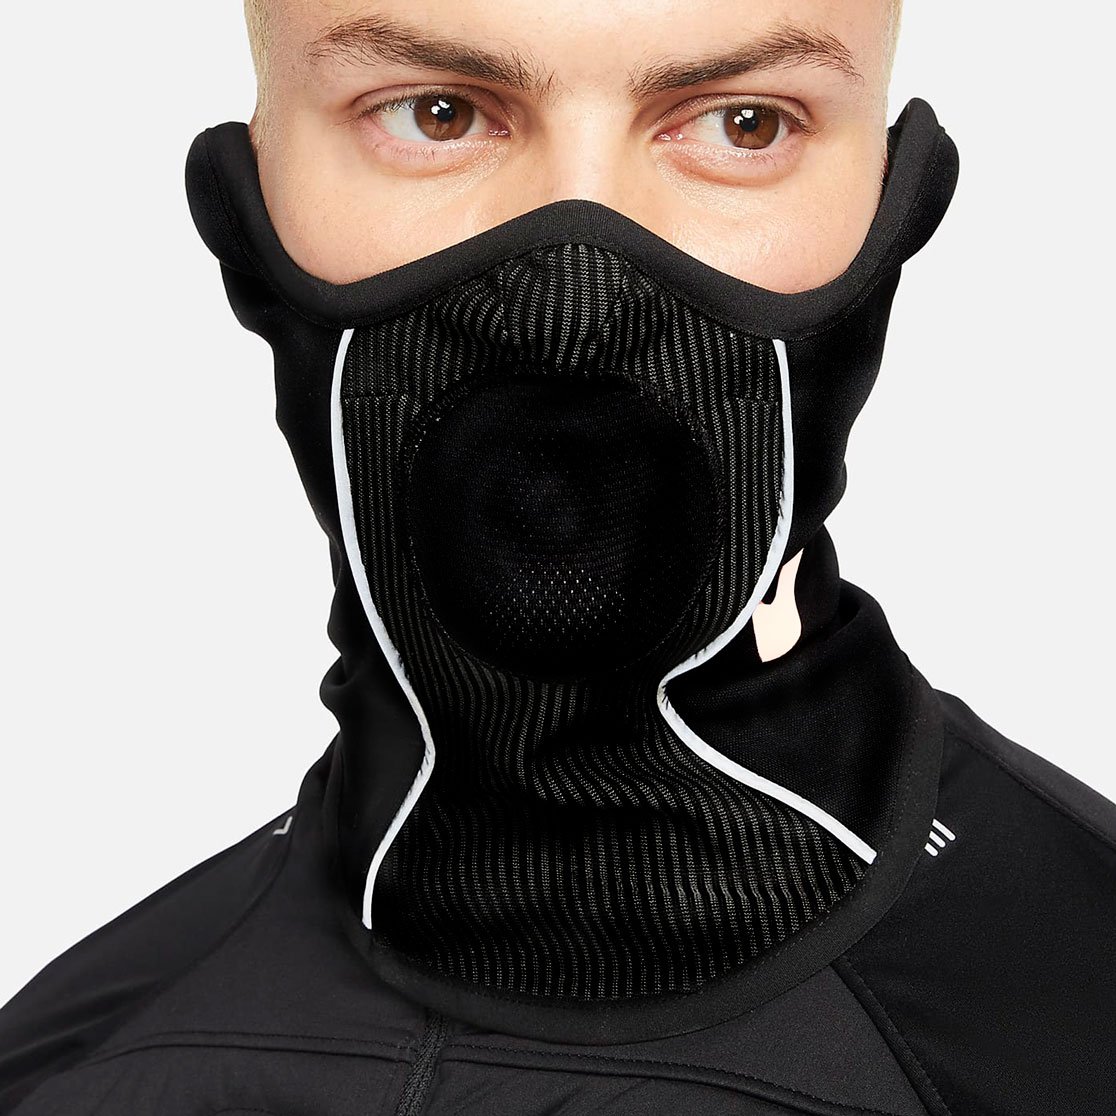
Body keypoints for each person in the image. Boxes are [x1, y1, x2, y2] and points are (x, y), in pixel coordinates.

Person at [1, 1, 1113, 1113]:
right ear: (248, 211)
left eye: (744, 124)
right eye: (437, 115)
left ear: (896, 203)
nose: (575, 307)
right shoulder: (73, 1073)